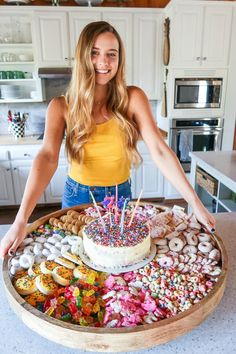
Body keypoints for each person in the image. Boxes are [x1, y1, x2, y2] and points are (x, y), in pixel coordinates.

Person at [0, 21, 215, 258]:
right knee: (80, 262)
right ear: (82, 56)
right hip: (78, 197)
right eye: (95, 53)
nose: (104, 62)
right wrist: (21, 220)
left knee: (120, 262)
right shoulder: (61, 106)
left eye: (111, 54)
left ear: (119, 60)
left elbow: (159, 150)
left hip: (120, 196)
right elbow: (47, 157)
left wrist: (194, 201)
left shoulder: (132, 98)